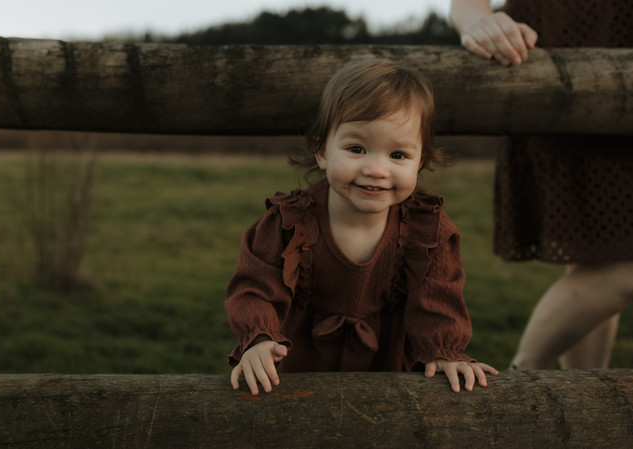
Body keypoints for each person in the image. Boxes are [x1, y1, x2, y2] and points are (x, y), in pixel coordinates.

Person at [225, 59, 498, 394]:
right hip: (294, 374)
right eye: (356, 149)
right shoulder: (289, 223)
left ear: (421, 161)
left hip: (388, 374)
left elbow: (437, 300)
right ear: (322, 151)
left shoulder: (426, 231)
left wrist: (444, 351)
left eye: (398, 155)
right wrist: (259, 339)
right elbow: (255, 286)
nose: (376, 169)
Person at [450, 0, 633, 369]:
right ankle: (522, 377)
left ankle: (579, 406)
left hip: (621, 67)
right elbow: (465, 3)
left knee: (597, 256)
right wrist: (479, 22)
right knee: (613, 262)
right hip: (548, 74)